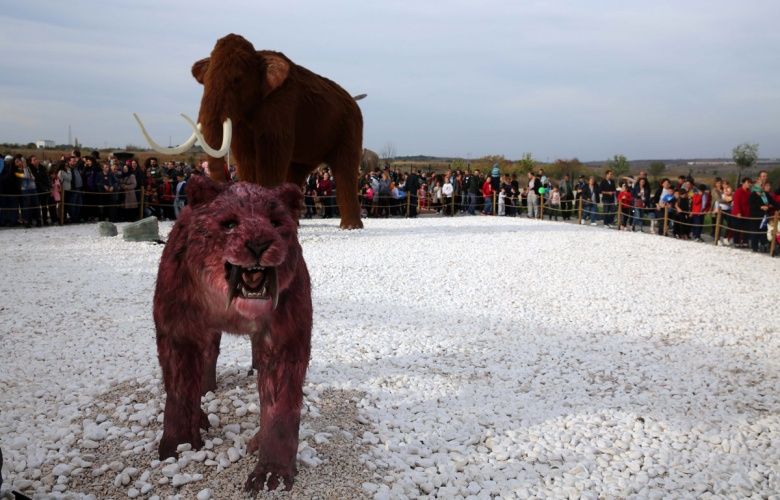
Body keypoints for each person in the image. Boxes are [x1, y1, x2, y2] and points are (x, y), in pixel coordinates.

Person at [731, 177, 752, 247]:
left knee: (746, 228)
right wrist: (738, 212)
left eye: (750, 183)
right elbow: (736, 202)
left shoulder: (749, 192)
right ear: (743, 183)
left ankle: (745, 241)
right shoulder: (738, 191)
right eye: (747, 183)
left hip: (747, 213)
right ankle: (736, 241)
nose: (749, 184)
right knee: (737, 227)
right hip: (738, 213)